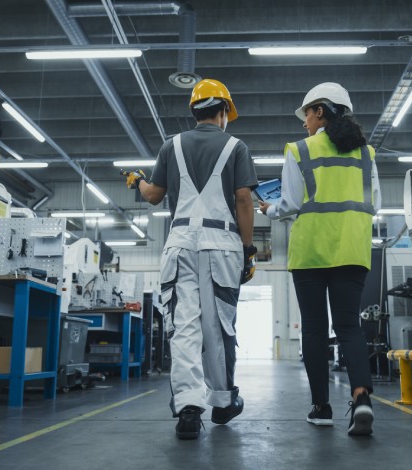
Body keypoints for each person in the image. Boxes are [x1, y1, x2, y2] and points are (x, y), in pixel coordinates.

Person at [121, 78, 258, 440]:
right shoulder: (236, 146)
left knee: (184, 327)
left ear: (195, 111)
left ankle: (188, 407)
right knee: (219, 326)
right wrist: (248, 249)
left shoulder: (172, 146)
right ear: (224, 112)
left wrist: (137, 181)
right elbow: (243, 200)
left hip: (180, 243)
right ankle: (224, 401)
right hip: (222, 242)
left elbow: (153, 196)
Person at [259, 82, 381, 436]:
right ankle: (361, 397)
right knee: (348, 326)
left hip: (311, 251)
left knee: (314, 327)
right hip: (353, 249)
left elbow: (291, 203)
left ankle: (322, 408)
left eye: (307, 114)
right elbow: (374, 203)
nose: (304, 123)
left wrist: (270, 209)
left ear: (321, 112)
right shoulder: (367, 154)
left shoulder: (300, 150)